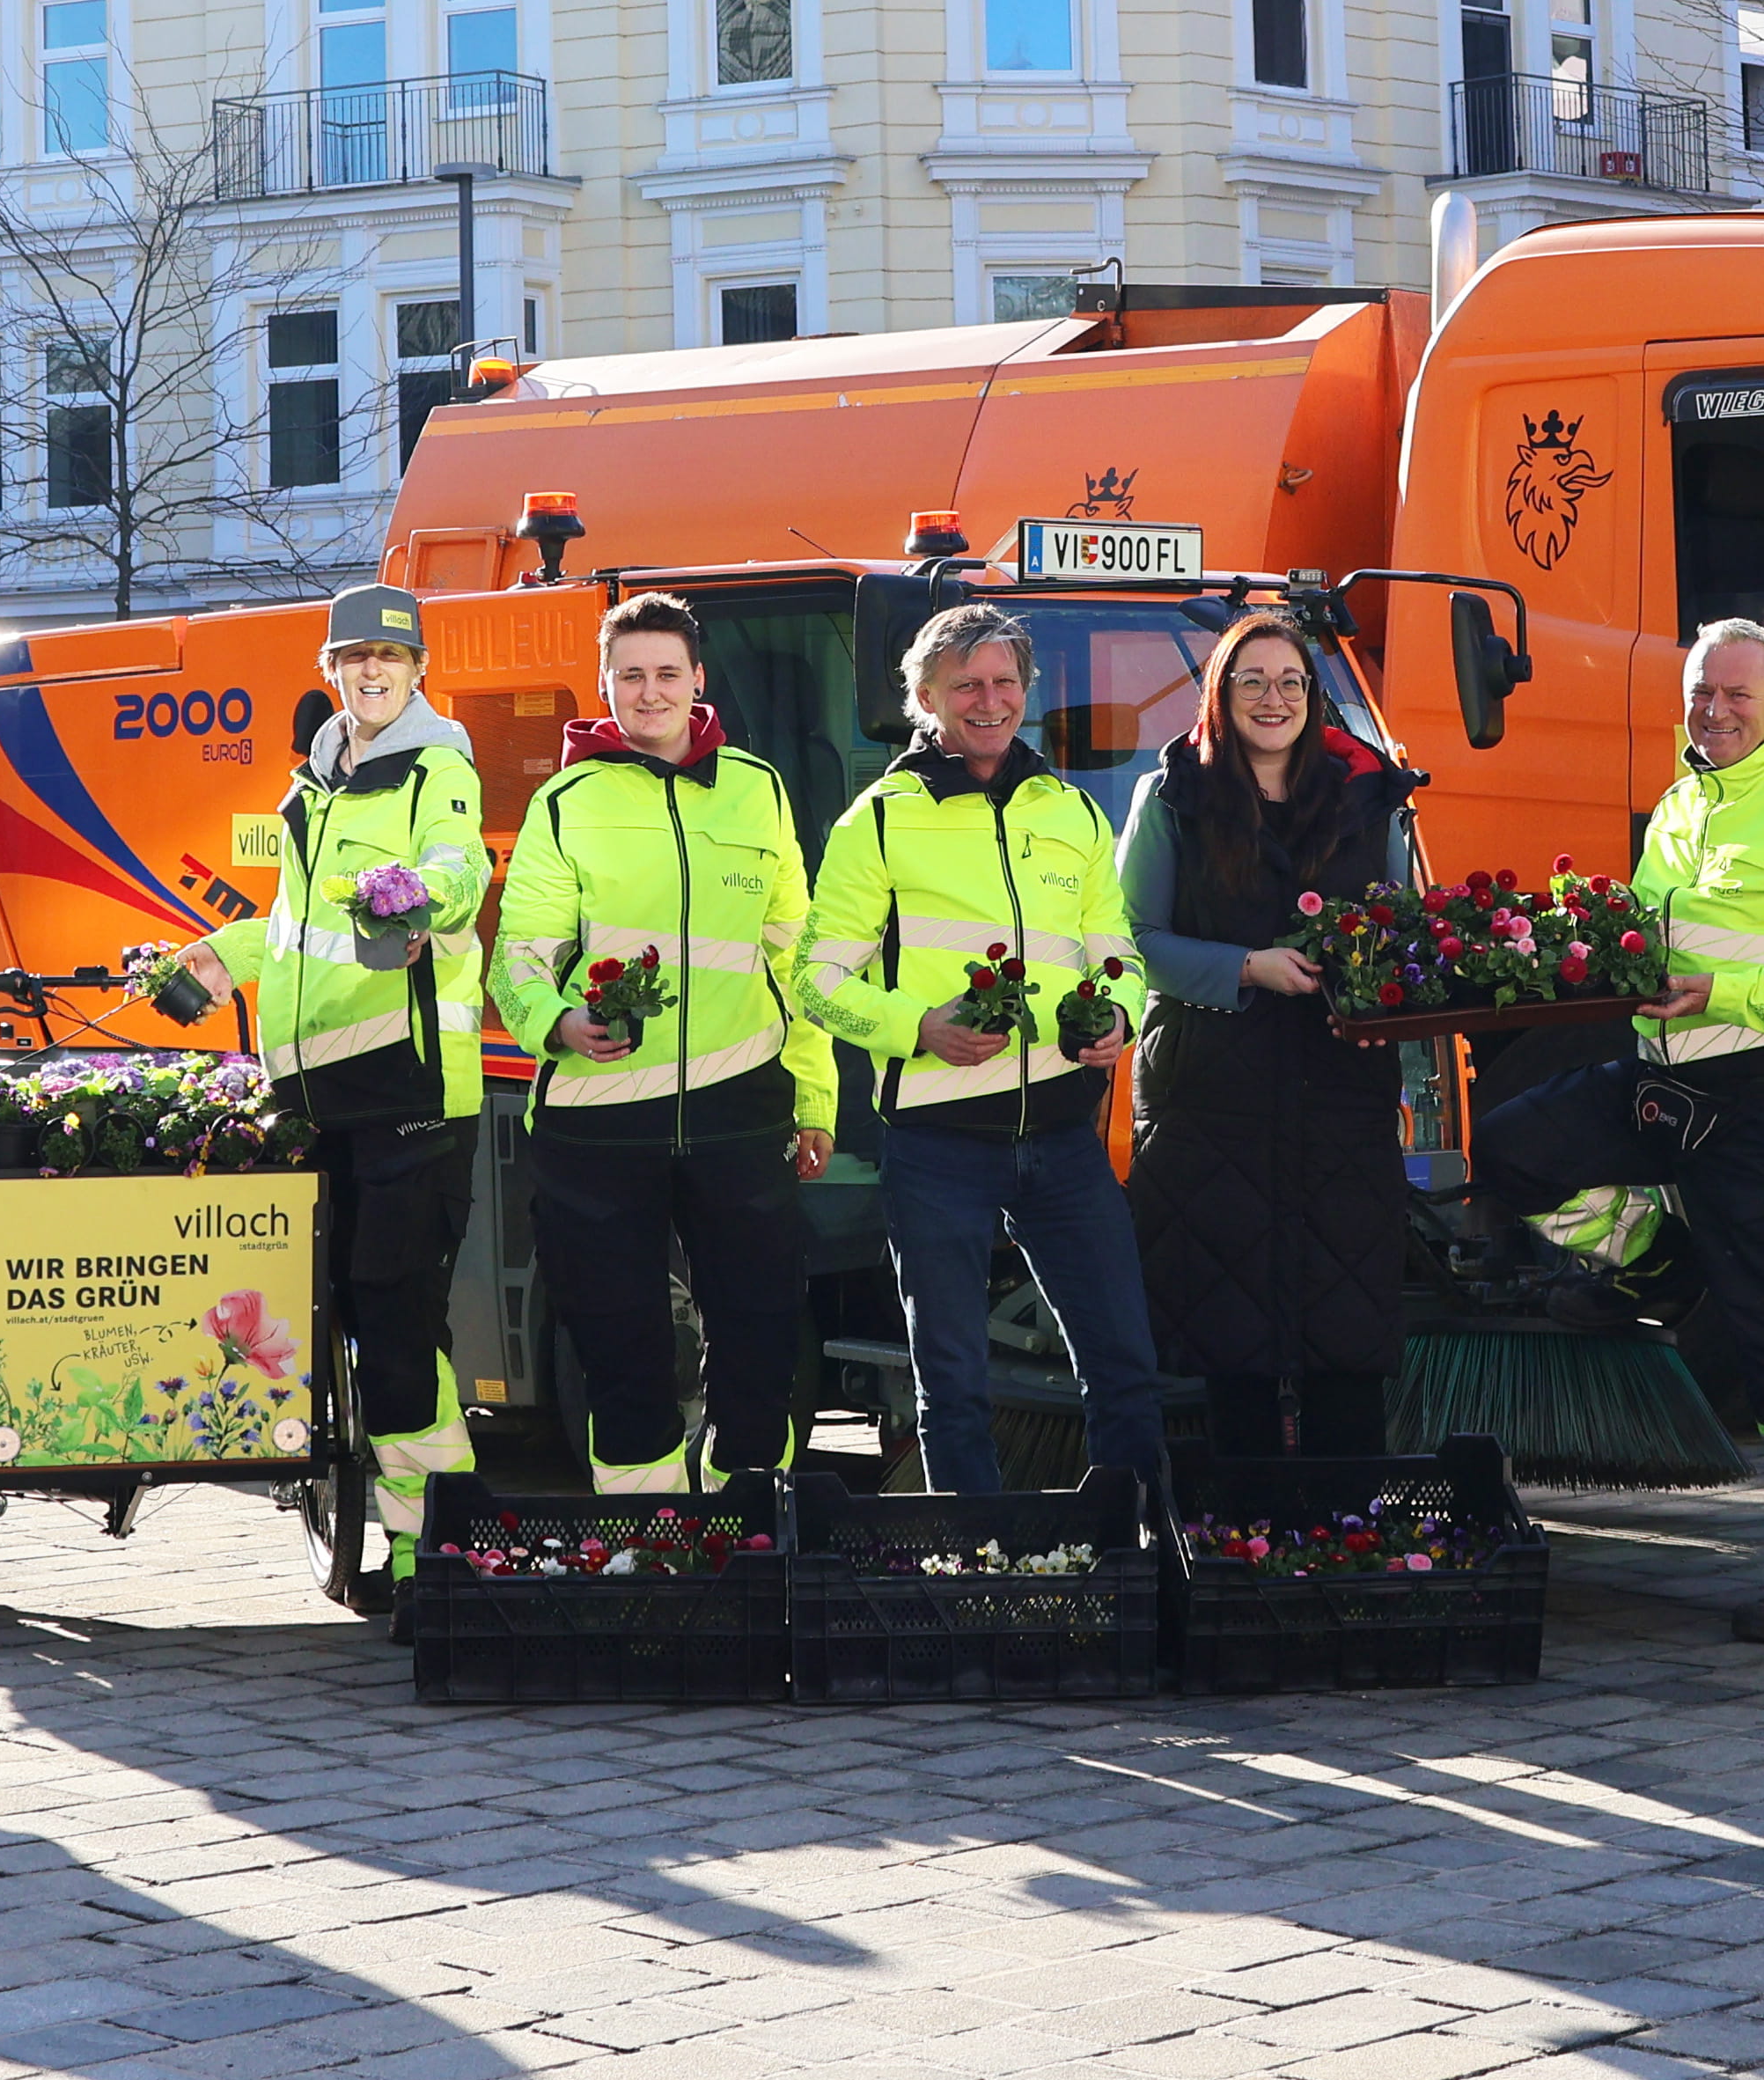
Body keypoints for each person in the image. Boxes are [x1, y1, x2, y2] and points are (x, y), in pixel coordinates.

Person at [1474, 618, 1764, 1641]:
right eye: (1703, 690)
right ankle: (1656, 1263)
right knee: (1516, 1149)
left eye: (1738, 694)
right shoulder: (1679, 799)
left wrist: (1723, 993)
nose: (1716, 709)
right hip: (1668, 1084)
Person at [158, 584, 494, 1598]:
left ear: (419, 668)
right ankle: (410, 1530)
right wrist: (210, 961)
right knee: (354, 1305)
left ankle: (433, 1545)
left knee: (396, 1315)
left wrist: (422, 895)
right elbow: (291, 929)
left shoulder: (439, 769)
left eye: (389, 658)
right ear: (329, 670)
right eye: (354, 658)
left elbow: (459, 872)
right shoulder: (313, 788)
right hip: (322, 1092)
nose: (372, 672)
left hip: (412, 1089)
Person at [807, 602, 1160, 1496]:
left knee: (1125, 1363)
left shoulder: (1072, 810)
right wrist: (915, 1028)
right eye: (966, 684)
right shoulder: (876, 822)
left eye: (1004, 681)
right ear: (925, 696)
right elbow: (815, 980)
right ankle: (973, 1564)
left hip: (1065, 1138)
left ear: (1026, 691)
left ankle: (1131, 1547)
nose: (989, 699)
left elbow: (1114, 945)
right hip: (937, 1147)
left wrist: (1117, 1013)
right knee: (952, 1383)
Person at [488, 592, 834, 1492]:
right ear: (606, 685)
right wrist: (556, 1022)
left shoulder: (757, 788)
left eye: (666, 673)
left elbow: (796, 958)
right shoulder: (567, 800)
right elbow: (517, 958)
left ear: (699, 681)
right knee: (622, 1345)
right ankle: (646, 1549)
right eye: (631, 675)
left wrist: (816, 1100)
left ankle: (751, 1527)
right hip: (598, 1123)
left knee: (760, 1338)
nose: (650, 692)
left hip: (739, 1107)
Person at [1120, 610, 1423, 1461]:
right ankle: (1248, 1547)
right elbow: (1133, 941)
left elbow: (1402, 935)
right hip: (1211, 1100)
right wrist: (1249, 968)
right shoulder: (1172, 796)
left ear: (1314, 696)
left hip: (1342, 1094)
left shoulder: (1372, 797)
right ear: (1219, 695)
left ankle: (1346, 1540)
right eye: (1249, 679)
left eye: (1290, 680)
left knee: (1347, 1327)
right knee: (1232, 1340)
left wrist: (1381, 997)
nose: (1272, 697)